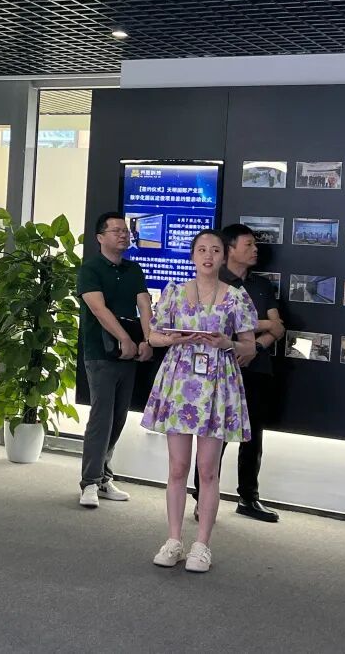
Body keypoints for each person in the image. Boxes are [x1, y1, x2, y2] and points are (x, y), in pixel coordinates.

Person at [142, 229, 257, 573]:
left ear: (223, 256)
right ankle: (173, 540)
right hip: (180, 382)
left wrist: (227, 344)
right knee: (177, 467)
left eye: (215, 250)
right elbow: (153, 336)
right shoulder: (175, 292)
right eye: (202, 250)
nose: (208, 256)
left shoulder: (236, 297)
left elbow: (249, 346)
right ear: (193, 255)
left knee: (208, 470)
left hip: (218, 384)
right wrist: (174, 338)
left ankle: (202, 545)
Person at [192, 223, 285, 524]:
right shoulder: (215, 282)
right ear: (230, 249)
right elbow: (215, 324)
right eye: (248, 245)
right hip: (220, 368)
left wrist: (254, 346)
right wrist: (259, 326)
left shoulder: (262, 285)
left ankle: (248, 497)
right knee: (213, 436)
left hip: (256, 367)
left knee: (252, 436)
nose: (255, 250)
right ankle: (201, 498)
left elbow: (278, 327)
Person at [77, 212, 152, 509]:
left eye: (125, 231)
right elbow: (98, 309)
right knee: (102, 417)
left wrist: (147, 340)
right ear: (100, 237)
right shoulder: (90, 269)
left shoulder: (134, 269)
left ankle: (104, 477)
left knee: (119, 416)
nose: (123, 234)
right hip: (101, 352)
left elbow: (144, 306)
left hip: (129, 354)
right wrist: (124, 338)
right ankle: (89, 482)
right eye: (116, 230)